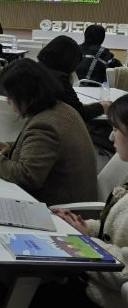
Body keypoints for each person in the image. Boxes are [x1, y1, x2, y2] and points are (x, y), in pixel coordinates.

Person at [0, 59, 97, 206]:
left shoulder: (44, 126)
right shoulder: (61, 109)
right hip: (71, 200)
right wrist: (9, 148)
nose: (8, 102)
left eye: (10, 97)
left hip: (60, 210)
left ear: (25, 95)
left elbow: (26, 177)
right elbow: (44, 152)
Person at [51, 94, 128, 307]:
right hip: (94, 282)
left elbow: (123, 272)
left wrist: (84, 240)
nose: (110, 138)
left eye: (116, 130)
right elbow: (116, 232)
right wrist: (85, 228)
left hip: (106, 297)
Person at [38, 35, 107, 122]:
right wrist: (102, 107)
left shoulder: (35, 68)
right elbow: (80, 113)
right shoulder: (59, 80)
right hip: (53, 124)